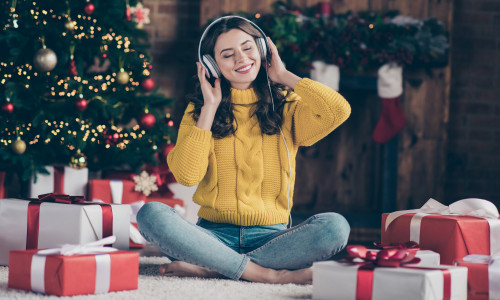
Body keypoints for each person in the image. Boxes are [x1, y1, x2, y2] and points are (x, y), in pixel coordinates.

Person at [137, 16, 351, 285]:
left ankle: (215, 267)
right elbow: (187, 176)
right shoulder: (201, 110)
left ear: (262, 50)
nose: (241, 58)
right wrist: (209, 109)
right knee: (151, 214)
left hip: (274, 238)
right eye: (227, 55)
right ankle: (266, 274)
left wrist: (284, 75)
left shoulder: (286, 105)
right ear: (212, 66)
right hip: (211, 236)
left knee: (335, 227)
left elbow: (338, 110)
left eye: (248, 48)